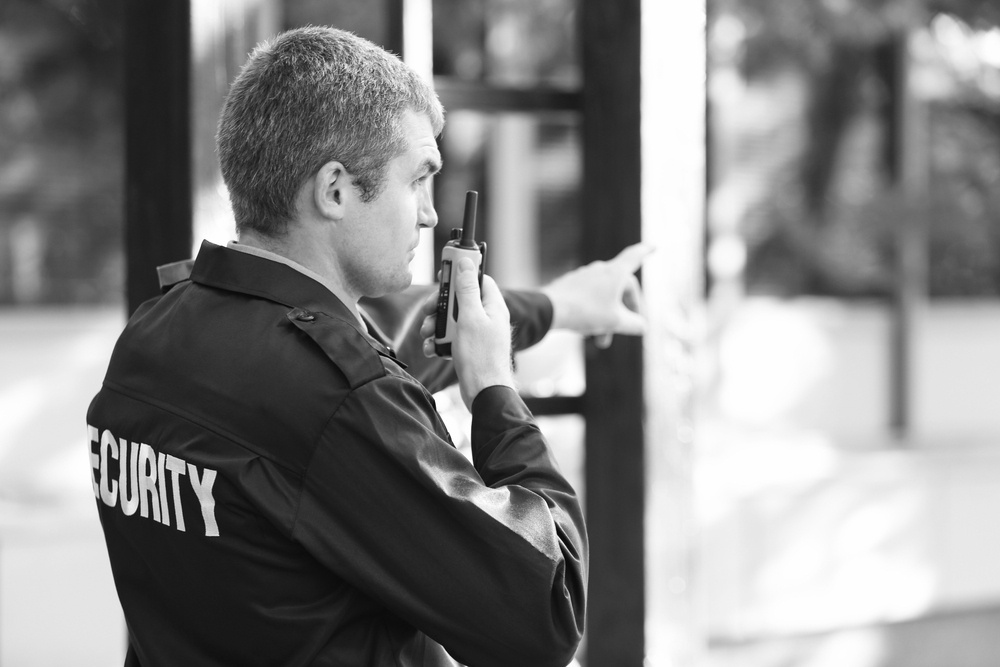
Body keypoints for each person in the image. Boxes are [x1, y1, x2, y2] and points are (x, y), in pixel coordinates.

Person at [87, 26, 649, 667]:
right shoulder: (339, 400)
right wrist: (494, 389)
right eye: (417, 180)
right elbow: (548, 610)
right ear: (335, 191)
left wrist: (560, 305)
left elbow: (395, 335)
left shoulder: (154, 335)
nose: (431, 214)